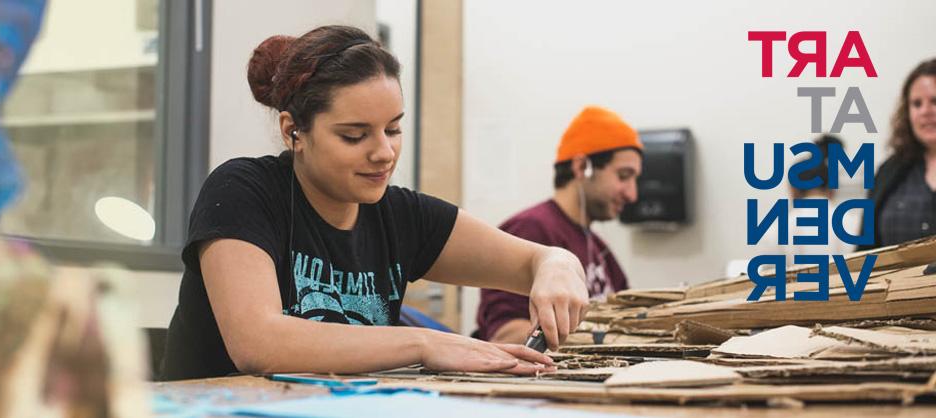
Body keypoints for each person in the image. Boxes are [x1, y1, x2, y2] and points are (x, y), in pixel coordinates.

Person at [159, 25, 589, 381]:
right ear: (295, 131)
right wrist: (426, 343)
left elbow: (540, 259)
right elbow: (260, 344)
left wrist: (558, 266)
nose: (383, 153)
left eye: (394, 130)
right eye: (354, 135)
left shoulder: (401, 215)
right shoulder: (243, 191)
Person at [475, 106, 642, 344]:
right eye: (624, 176)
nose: (632, 194)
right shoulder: (529, 229)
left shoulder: (599, 247)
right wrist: (605, 342)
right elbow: (505, 335)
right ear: (582, 167)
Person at [861, 58, 936, 250]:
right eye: (917, 104)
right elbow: (864, 248)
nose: (925, 111)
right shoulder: (889, 171)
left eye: (935, 101)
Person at [761, 134, 860, 263]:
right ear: (832, 188)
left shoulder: (776, 230)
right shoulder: (855, 224)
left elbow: (770, 279)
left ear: (793, 189)